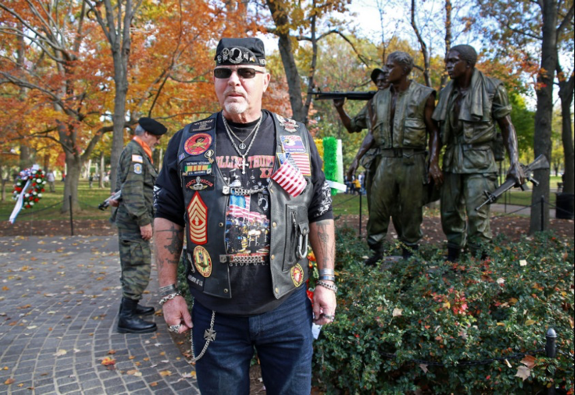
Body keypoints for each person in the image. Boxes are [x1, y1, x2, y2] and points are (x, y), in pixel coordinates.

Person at [153, 37, 336, 394]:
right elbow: (167, 217)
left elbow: (320, 211)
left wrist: (326, 281)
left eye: (247, 72)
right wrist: (168, 292)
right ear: (215, 80)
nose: (234, 80)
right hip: (216, 311)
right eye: (224, 72)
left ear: (265, 80)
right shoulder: (188, 141)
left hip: (287, 306)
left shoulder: (296, 137)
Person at [433, 44, 524, 261]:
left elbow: (507, 126)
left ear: (468, 64)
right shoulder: (447, 92)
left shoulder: (493, 88)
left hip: (480, 161)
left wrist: (516, 162)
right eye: (447, 61)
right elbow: (436, 129)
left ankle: (482, 268)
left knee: (477, 214)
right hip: (453, 159)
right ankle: (454, 261)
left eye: (453, 61)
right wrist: (433, 162)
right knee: (449, 213)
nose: (448, 66)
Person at [360, 51, 442, 264]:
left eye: (390, 67)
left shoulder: (424, 95)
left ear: (405, 70)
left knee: (410, 210)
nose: (386, 71)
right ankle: (375, 253)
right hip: (385, 160)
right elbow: (373, 132)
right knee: (377, 207)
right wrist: (358, 156)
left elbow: (434, 131)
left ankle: (410, 254)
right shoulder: (379, 97)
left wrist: (433, 162)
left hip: (412, 161)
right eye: (385, 67)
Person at [111, 117, 167, 333]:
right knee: (138, 265)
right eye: (156, 137)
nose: (158, 141)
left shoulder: (136, 151)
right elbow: (133, 191)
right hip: (134, 221)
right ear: (146, 134)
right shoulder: (136, 154)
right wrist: (144, 221)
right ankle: (126, 318)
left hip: (130, 218)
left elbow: (123, 185)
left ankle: (132, 308)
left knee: (134, 263)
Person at [334, 67, 389, 209]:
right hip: (375, 162)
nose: (380, 84)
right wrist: (340, 108)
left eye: (384, 80)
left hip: (396, 161)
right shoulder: (371, 105)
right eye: (378, 81)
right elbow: (352, 127)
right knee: (375, 209)